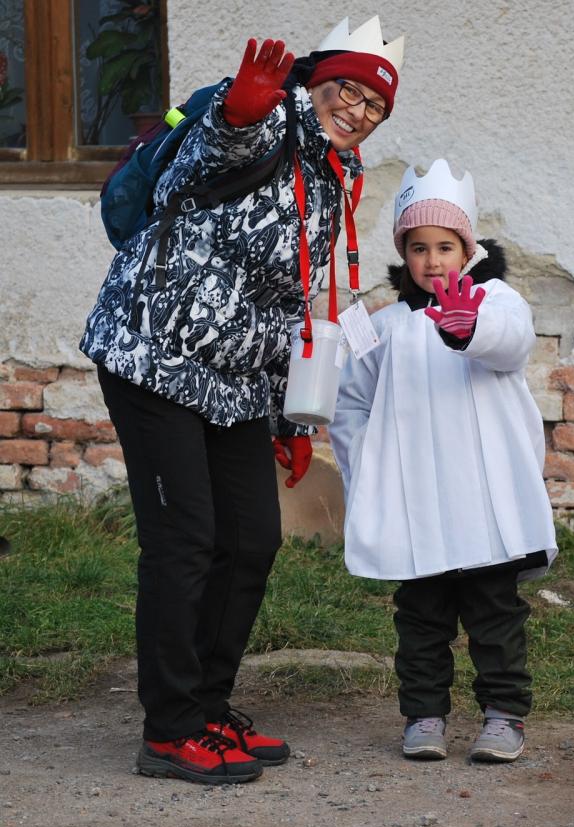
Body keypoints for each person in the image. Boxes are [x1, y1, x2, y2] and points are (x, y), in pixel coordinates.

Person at [79, 16, 405, 784]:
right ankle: (169, 728)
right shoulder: (263, 120)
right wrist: (235, 116)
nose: (356, 110)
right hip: (155, 354)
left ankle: (208, 705)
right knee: (185, 540)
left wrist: (289, 417)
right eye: (346, 90)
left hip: (234, 380)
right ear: (317, 81)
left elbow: (290, 301)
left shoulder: (334, 172)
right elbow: (196, 168)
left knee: (253, 537)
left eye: (373, 105)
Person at [330, 160, 556, 765]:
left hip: (485, 502)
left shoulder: (496, 302)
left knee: (495, 616)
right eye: (419, 248)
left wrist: (468, 330)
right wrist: (365, 475)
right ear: (403, 253)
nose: (433, 261)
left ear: (468, 248)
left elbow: (511, 342)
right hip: (416, 505)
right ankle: (423, 714)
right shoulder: (383, 326)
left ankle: (503, 714)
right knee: (421, 618)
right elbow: (350, 403)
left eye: (445, 247)